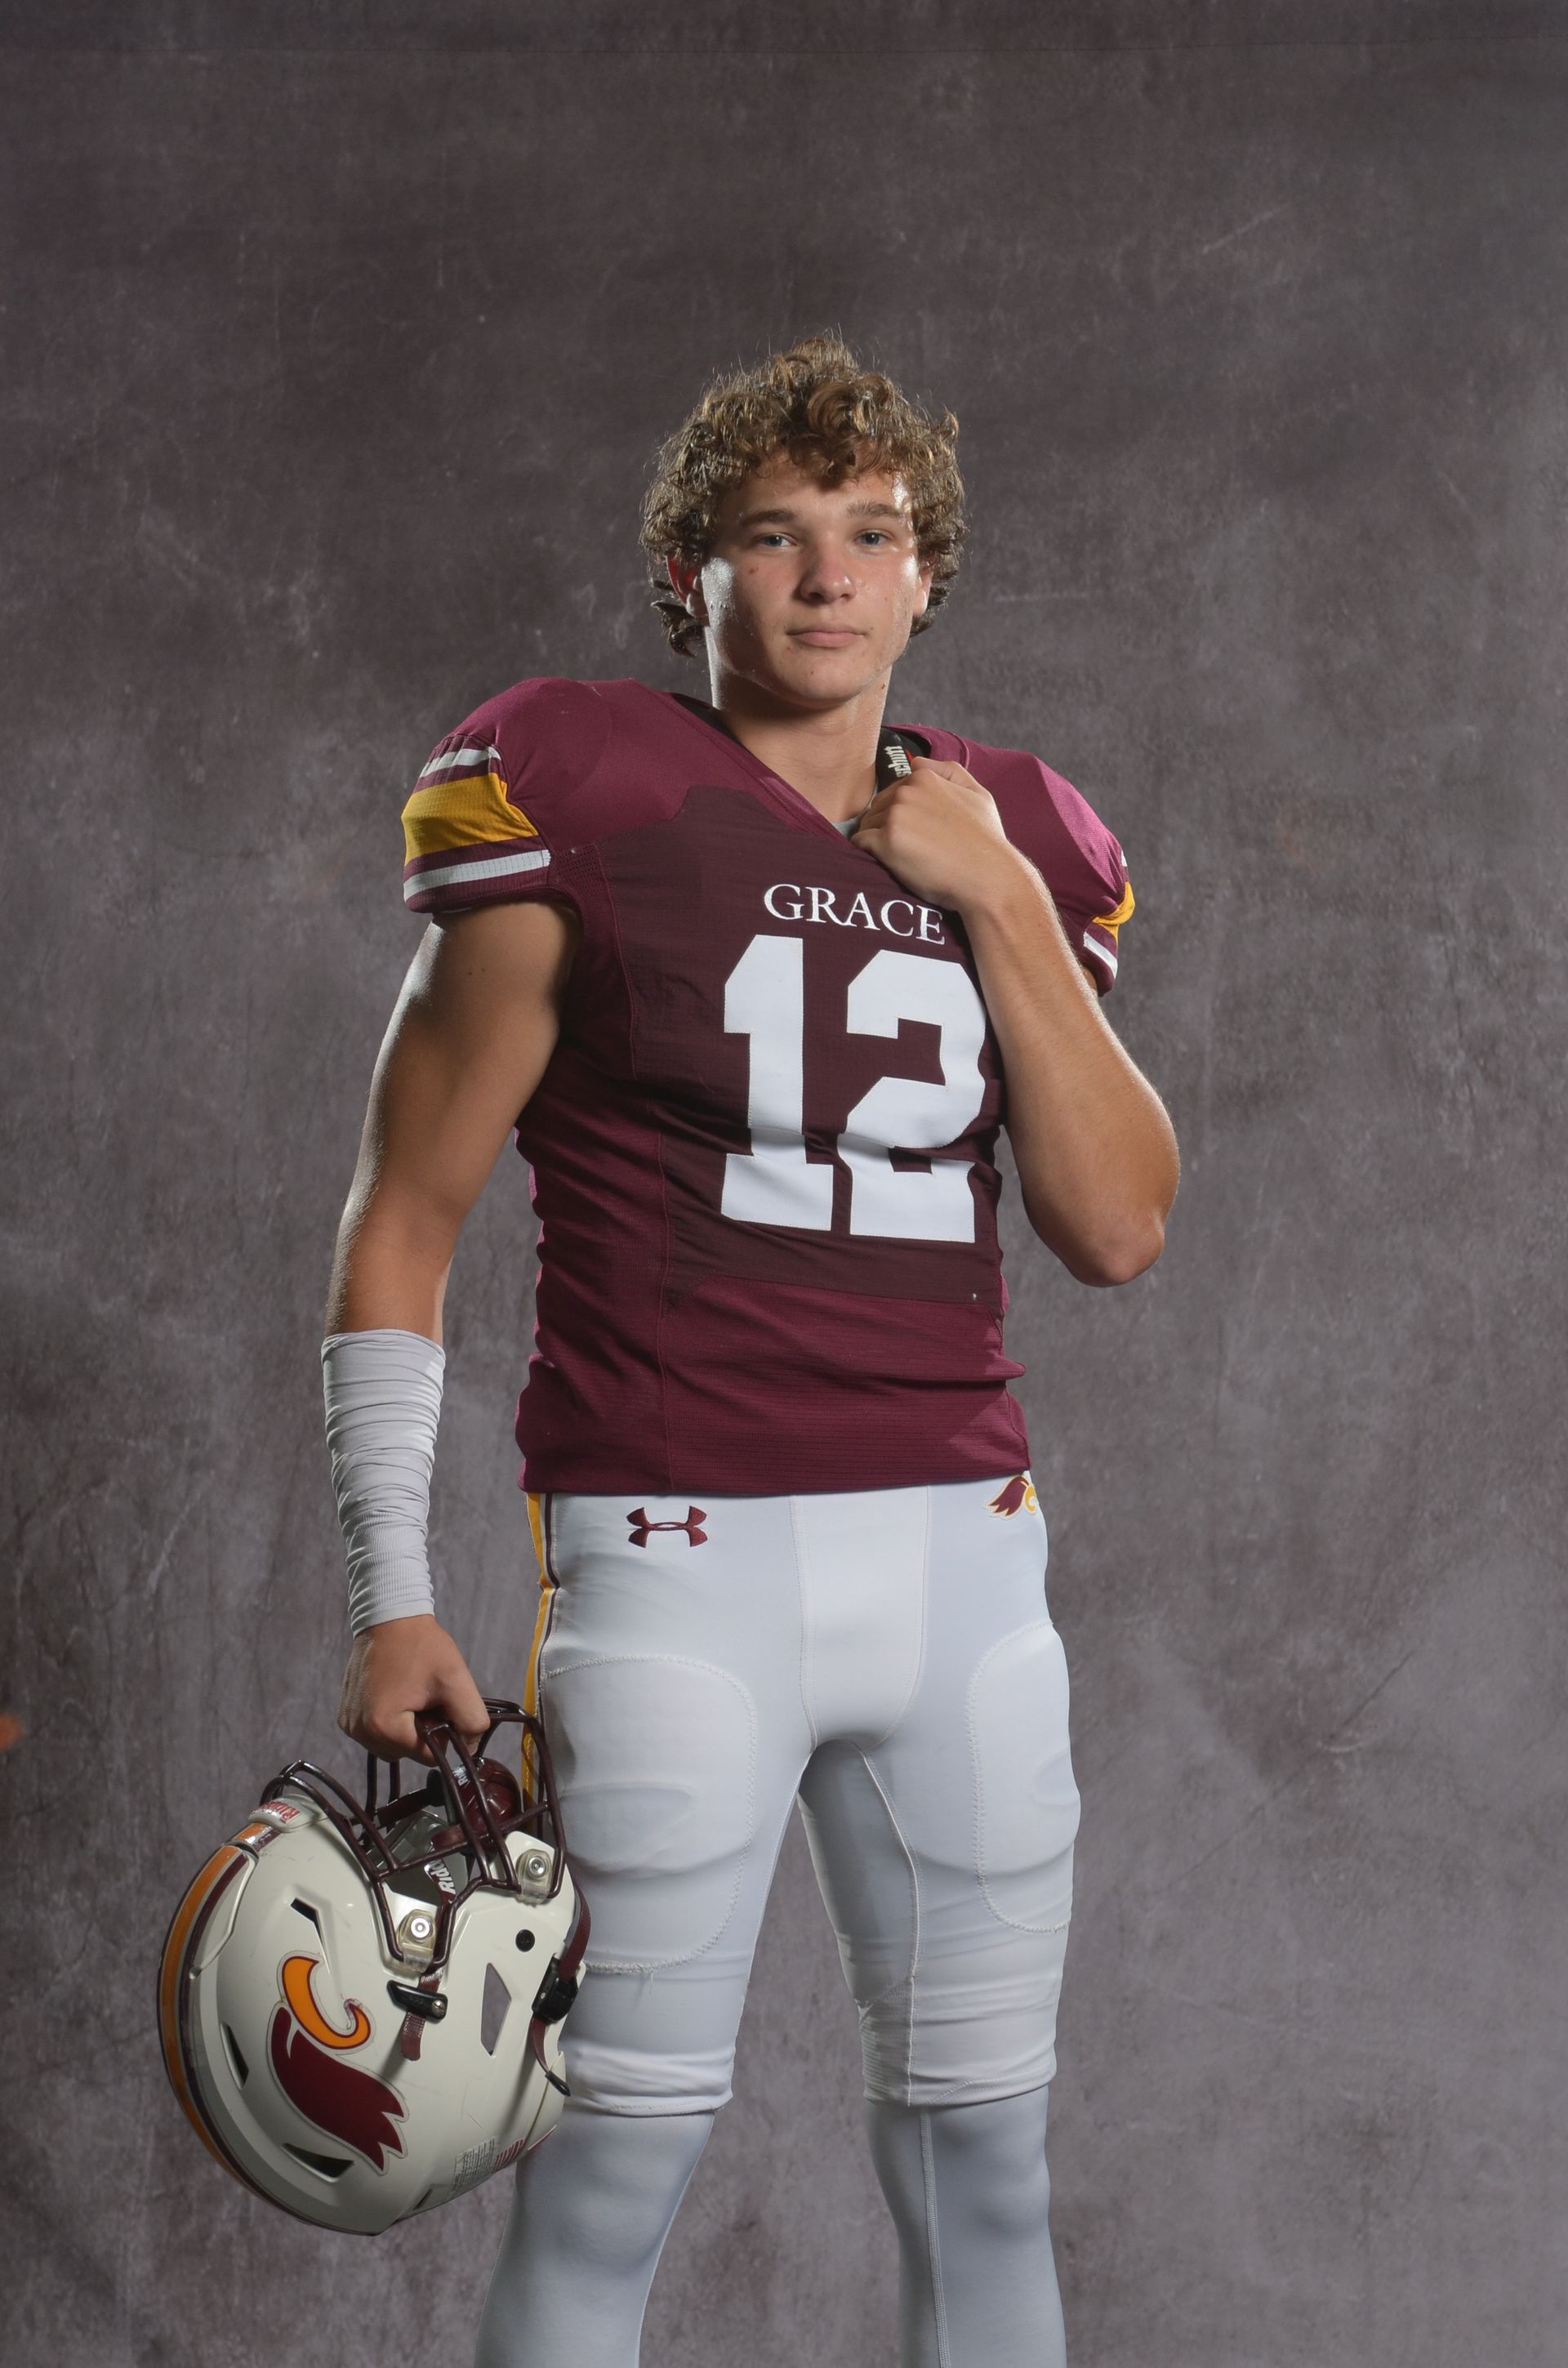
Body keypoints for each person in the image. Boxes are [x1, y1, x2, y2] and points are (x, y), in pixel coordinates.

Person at [323, 334, 1179, 2368]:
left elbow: (1122, 1222)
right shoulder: (582, 791)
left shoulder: (1021, 836)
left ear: (926, 576)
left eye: (870, 535)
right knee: (616, 2154)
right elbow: (405, 1214)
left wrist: (1002, 910)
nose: (824, 578)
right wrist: (393, 1588)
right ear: (686, 577)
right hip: (679, 1557)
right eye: (771, 537)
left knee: (988, 2156)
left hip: (969, 1557)